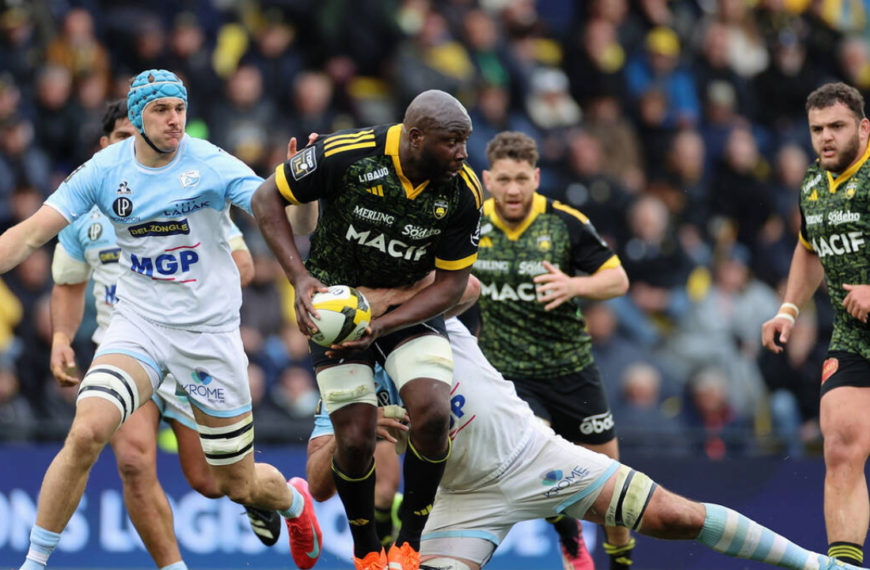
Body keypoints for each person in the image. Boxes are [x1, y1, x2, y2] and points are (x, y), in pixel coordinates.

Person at [0, 70, 320, 570]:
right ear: (135, 117)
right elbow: (27, 236)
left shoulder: (209, 163)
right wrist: (63, 335)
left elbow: (291, 222)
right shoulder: (103, 171)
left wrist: (305, 190)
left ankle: (293, 503)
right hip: (139, 327)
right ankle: (33, 564)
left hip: (208, 337)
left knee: (230, 484)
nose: (175, 121)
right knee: (89, 433)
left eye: (180, 109)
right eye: (161, 110)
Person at [307, 305, 864, 570]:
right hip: (458, 502)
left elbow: (468, 284)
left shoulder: (423, 318)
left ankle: (822, 567)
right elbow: (320, 483)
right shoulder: (343, 384)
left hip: (532, 454)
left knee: (676, 517)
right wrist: (348, 429)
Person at [47, 99, 283, 570]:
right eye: (120, 139)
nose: (131, 148)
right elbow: (69, 283)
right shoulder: (85, 209)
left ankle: (273, 496)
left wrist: (192, 293)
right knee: (133, 461)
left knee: (211, 482)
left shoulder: (189, 195)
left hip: (192, 343)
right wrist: (61, 336)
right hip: (128, 344)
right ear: (105, 147)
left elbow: (245, 263)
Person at [252, 90, 482, 570]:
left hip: (404, 308)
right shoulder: (348, 154)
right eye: (452, 142)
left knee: (434, 412)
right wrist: (299, 278)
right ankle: (366, 552)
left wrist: (382, 324)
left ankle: (410, 544)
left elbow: (456, 284)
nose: (462, 153)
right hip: (337, 311)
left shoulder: (462, 190)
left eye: (465, 141)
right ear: (415, 136)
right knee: (354, 440)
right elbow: (265, 197)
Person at [472, 130, 631, 569]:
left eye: (521, 178)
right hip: (509, 374)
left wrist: (574, 284)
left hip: (571, 368)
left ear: (537, 177)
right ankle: (570, 538)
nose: (513, 189)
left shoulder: (563, 222)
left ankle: (621, 557)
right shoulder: (469, 223)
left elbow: (618, 280)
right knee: (536, 457)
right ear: (487, 180)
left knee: (612, 485)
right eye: (503, 179)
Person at [762, 82, 870, 567]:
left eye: (837, 127)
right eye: (817, 129)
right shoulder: (811, 183)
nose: (826, 137)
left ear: (863, 128)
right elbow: (809, 248)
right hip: (854, 335)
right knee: (841, 450)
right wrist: (788, 308)